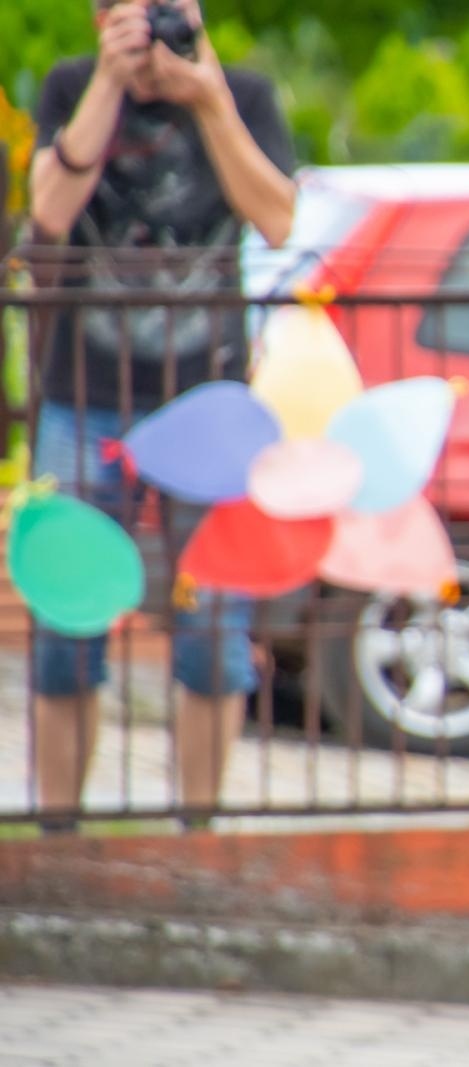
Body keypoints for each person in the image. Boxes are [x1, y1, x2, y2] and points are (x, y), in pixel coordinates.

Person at [27, 0, 295, 827]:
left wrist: (206, 96)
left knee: (213, 631)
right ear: (99, 17)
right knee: (65, 631)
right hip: (84, 393)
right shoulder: (73, 86)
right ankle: (61, 839)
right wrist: (109, 83)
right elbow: (47, 215)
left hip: (207, 403)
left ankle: (199, 838)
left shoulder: (242, 95)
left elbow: (278, 218)